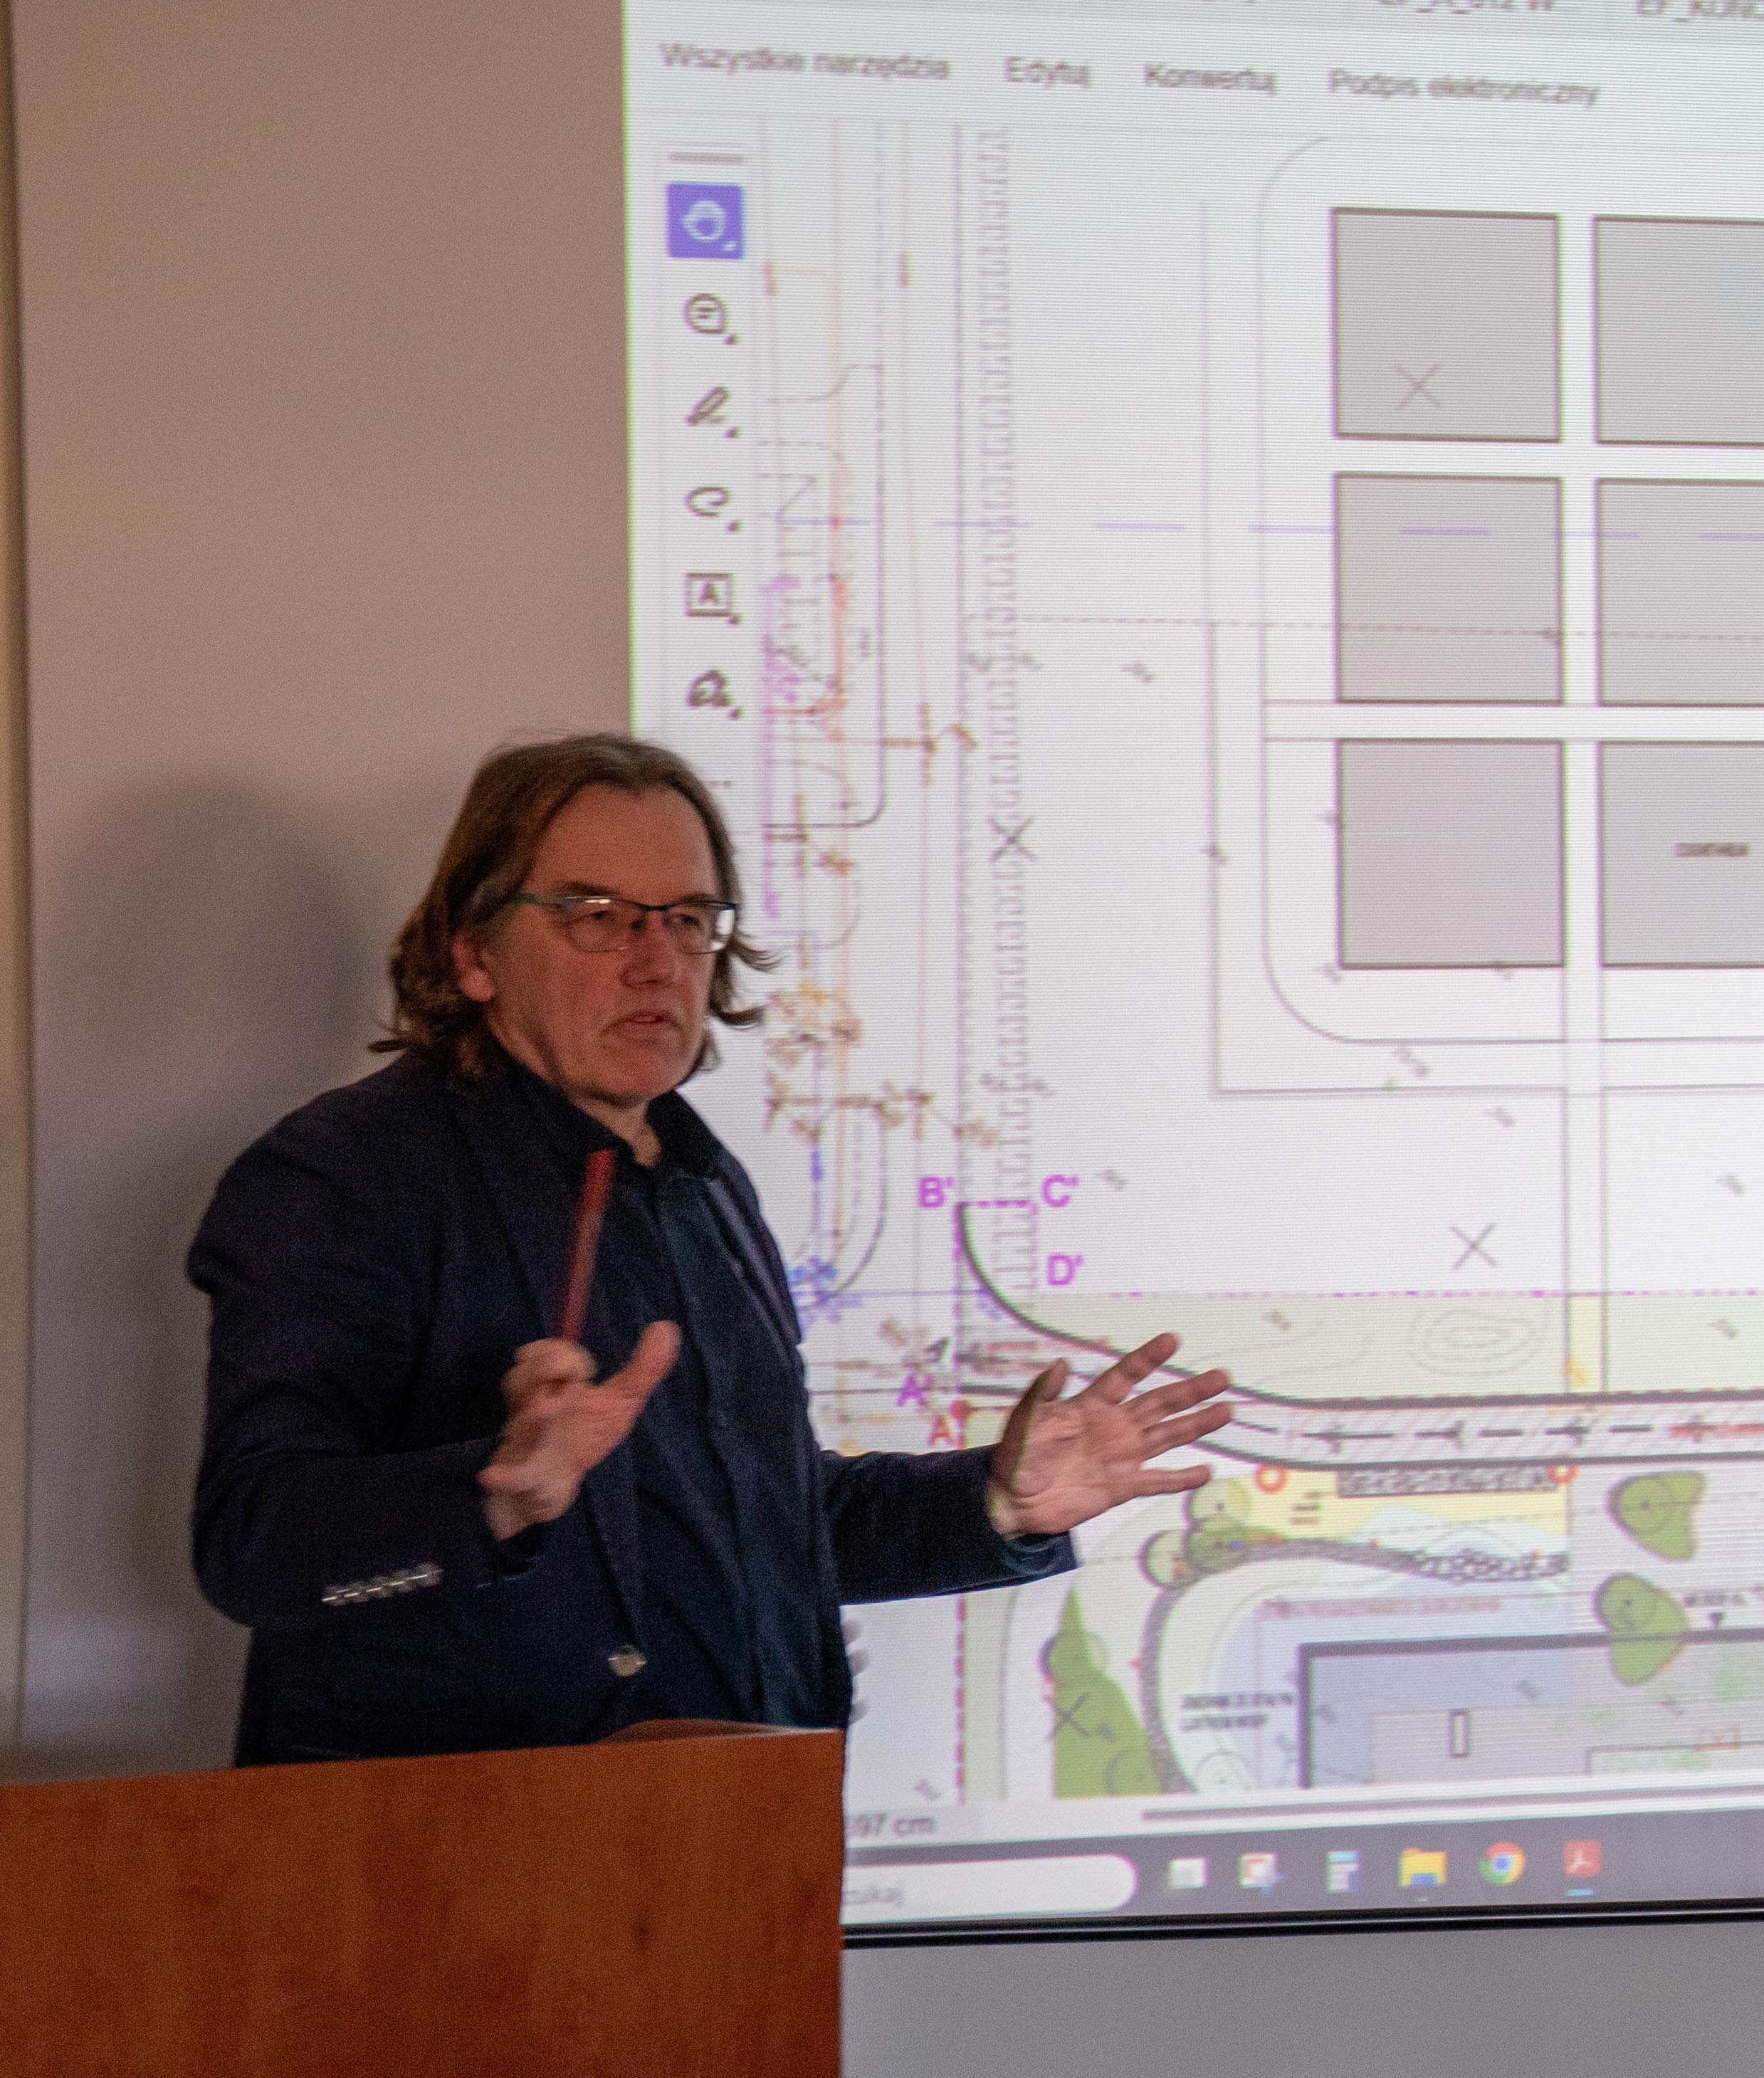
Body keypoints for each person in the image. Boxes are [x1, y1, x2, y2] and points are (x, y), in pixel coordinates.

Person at [187, 734, 1231, 1765]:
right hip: (454, 1852)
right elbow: (251, 1546)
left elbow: (772, 1524)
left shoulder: (702, 1182)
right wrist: (491, 1498)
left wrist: (996, 1503)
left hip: (733, 1835)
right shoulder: (345, 1177)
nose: (656, 962)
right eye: (597, 916)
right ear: (474, 954)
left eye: (687, 920)